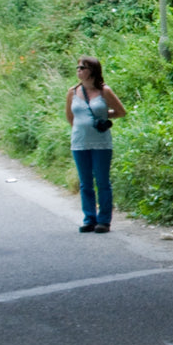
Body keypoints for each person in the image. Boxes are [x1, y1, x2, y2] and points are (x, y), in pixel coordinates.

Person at [65, 56, 126, 233]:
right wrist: (80, 129)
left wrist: (104, 118)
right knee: (85, 183)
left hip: (101, 143)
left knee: (102, 181)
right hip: (79, 143)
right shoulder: (72, 92)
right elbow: (70, 117)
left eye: (83, 67)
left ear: (92, 70)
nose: (79, 70)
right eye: (77, 67)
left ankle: (104, 220)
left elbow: (121, 112)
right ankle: (89, 218)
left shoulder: (104, 91)